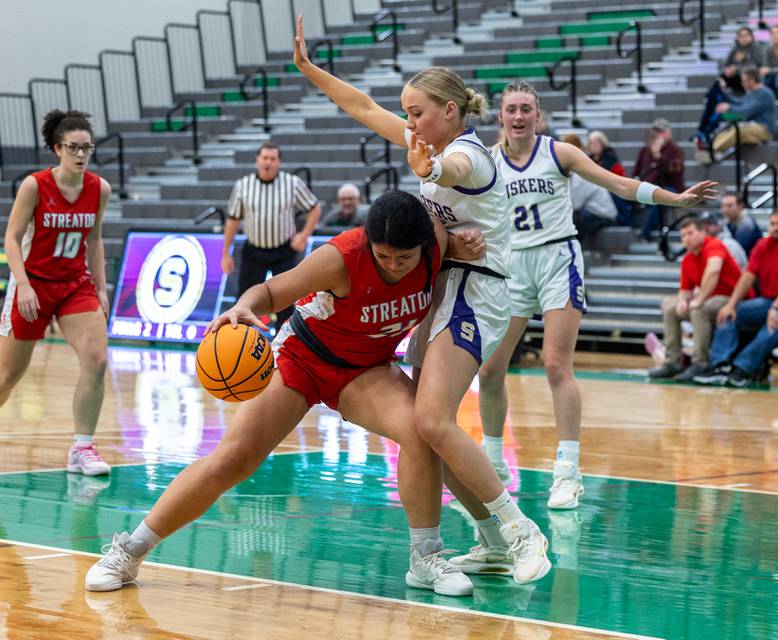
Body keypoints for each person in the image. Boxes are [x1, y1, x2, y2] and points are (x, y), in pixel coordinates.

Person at [86, 191, 485, 596]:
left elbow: (465, 235)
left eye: (404, 259)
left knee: (420, 431)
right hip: (305, 357)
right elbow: (274, 292)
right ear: (368, 243)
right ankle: (128, 551)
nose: (395, 267)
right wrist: (244, 306)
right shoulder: (341, 256)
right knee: (232, 459)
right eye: (384, 257)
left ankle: (426, 557)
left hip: (367, 369)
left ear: (425, 247)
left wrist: (470, 241)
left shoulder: (436, 247)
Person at [293, 15, 552, 585]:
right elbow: (362, 108)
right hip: (439, 292)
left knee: (433, 420)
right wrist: (311, 71)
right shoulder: (426, 142)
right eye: (406, 114)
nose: (409, 123)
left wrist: (432, 167)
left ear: (451, 111)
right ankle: (488, 541)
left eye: (417, 113)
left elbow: (454, 169)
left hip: (475, 292)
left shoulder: (468, 154)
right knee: (428, 426)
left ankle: (519, 530)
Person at [457, 81, 717, 552]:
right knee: (491, 368)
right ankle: (493, 465)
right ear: (500, 117)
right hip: (511, 263)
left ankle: (568, 471)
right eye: (511, 109)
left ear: (539, 116)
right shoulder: (487, 162)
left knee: (557, 365)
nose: (519, 116)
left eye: (527, 109)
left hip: (558, 259)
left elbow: (618, 184)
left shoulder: (559, 153)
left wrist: (674, 200)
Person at [0, 110, 112, 476]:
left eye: (87, 148)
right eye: (73, 148)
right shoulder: (34, 186)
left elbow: (93, 240)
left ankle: (82, 447)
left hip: (74, 285)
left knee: (96, 360)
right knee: (7, 377)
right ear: (56, 148)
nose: (81, 155)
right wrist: (24, 285)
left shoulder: (99, 189)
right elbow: (12, 240)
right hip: (32, 282)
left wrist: (100, 286)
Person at [695, 206, 778, 387]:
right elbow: (747, 277)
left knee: (777, 319)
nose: (776, 228)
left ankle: (743, 368)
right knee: (728, 313)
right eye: (773, 223)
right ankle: (721, 365)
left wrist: (775, 308)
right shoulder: (763, 245)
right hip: (767, 301)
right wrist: (731, 304)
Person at [222, 142, 321, 332]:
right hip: (254, 250)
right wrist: (225, 253)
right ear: (258, 160)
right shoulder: (243, 185)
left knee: (287, 302)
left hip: (283, 251)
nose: (268, 162)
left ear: (279, 162)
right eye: (265, 158)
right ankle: (239, 342)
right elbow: (233, 220)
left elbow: (315, 208)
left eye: (272, 159)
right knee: (243, 300)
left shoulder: (292, 183)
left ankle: (284, 346)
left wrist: (304, 235)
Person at [648, 217, 745, 382]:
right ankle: (672, 361)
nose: (687, 238)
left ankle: (700, 363)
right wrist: (682, 301)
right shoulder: (687, 259)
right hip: (711, 300)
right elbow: (685, 290)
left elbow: (713, 272)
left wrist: (699, 300)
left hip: (733, 298)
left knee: (698, 309)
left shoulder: (714, 245)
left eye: (690, 233)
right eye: (683, 235)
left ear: (703, 232)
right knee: (671, 310)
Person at [632, 119, 686, 241]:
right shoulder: (645, 150)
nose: (657, 135)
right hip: (647, 184)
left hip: (669, 186)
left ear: (668, 133)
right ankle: (634, 227)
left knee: (654, 197)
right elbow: (637, 170)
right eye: (655, 131)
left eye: (660, 132)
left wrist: (659, 156)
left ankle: (645, 234)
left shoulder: (675, 150)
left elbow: (674, 172)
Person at [561, 134, 617, 241]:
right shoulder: (574, 173)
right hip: (592, 211)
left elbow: (575, 205)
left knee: (575, 222)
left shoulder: (580, 175)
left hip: (604, 216)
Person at [711, 67, 776, 157]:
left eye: (744, 81)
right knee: (729, 127)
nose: (742, 84)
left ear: (752, 80)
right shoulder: (751, 93)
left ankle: (712, 150)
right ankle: (711, 147)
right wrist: (723, 92)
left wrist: (728, 107)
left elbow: (746, 112)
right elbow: (739, 102)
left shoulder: (764, 94)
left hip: (764, 130)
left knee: (739, 131)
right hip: (752, 126)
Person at [586, 130, 632, 226]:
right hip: (595, 189)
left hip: (613, 187)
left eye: (596, 143)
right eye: (592, 143)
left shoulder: (610, 157)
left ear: (602, 144)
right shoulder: (587, 159)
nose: (594, 145)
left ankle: (626, 222)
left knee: (613, 195)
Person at [719, 191, 763, 255]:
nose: (725, 210)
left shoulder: (747, 225)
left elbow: (736, 251)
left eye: (729, 206)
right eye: (723, 206)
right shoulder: (726, 221)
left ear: (740, 206)